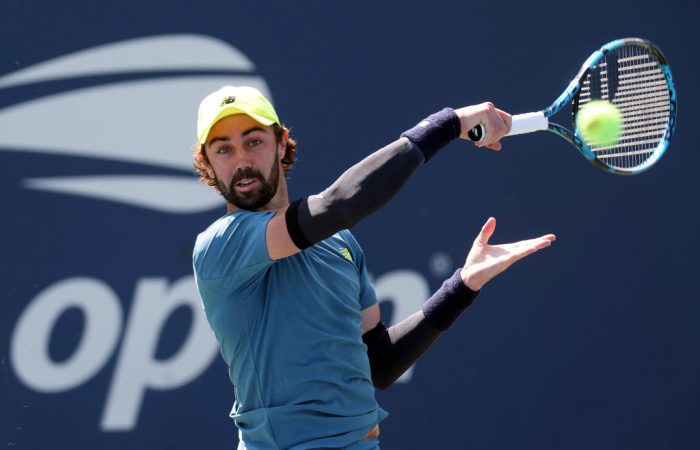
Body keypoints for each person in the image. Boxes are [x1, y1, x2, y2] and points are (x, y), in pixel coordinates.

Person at [191, 86, 555, 450]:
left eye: (253, 142)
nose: (241, 161)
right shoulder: (219, 247)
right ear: (207, 163)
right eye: (223, 149)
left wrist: (462, 285)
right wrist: (448, 124)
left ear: (282, 143)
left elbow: (380, 363)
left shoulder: (339, 244)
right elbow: (341, 204)